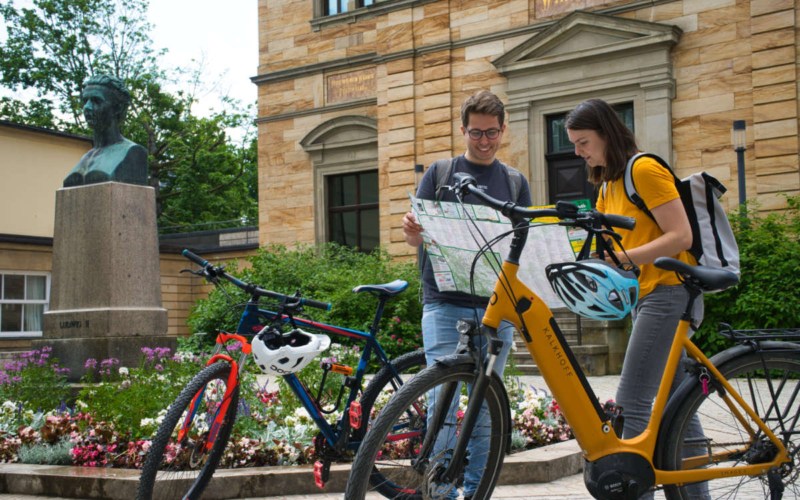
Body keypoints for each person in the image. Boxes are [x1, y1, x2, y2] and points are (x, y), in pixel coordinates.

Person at [565, 98, 708, 499]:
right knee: (679, 413)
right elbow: (618, 248)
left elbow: (681, 236)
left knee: (632, 405)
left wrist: (622, 257)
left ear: (607, 135)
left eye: (583, 142)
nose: (578, 152)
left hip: (671, 293)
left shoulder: (642, 169)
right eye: (574, 144)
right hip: (646, 298)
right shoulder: (607, 184)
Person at [403, 90, 532, 499]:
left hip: (496, 307)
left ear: (502, 130)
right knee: (443, 402)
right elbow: (414, 235)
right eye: (476, 132)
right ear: (463, 130)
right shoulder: (439, 174)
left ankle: (477, 493)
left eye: (491, 133)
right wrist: (411, 233)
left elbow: (524, 246)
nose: (484, 141)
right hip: (443, 303)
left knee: (484, 410)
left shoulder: (514, 182)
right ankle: (441, 494)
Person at [63, 74, 147, 187]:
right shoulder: (86, 157)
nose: (87, 107)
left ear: (118, 108)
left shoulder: (133, 152)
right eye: (85, 101)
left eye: (96, 101)